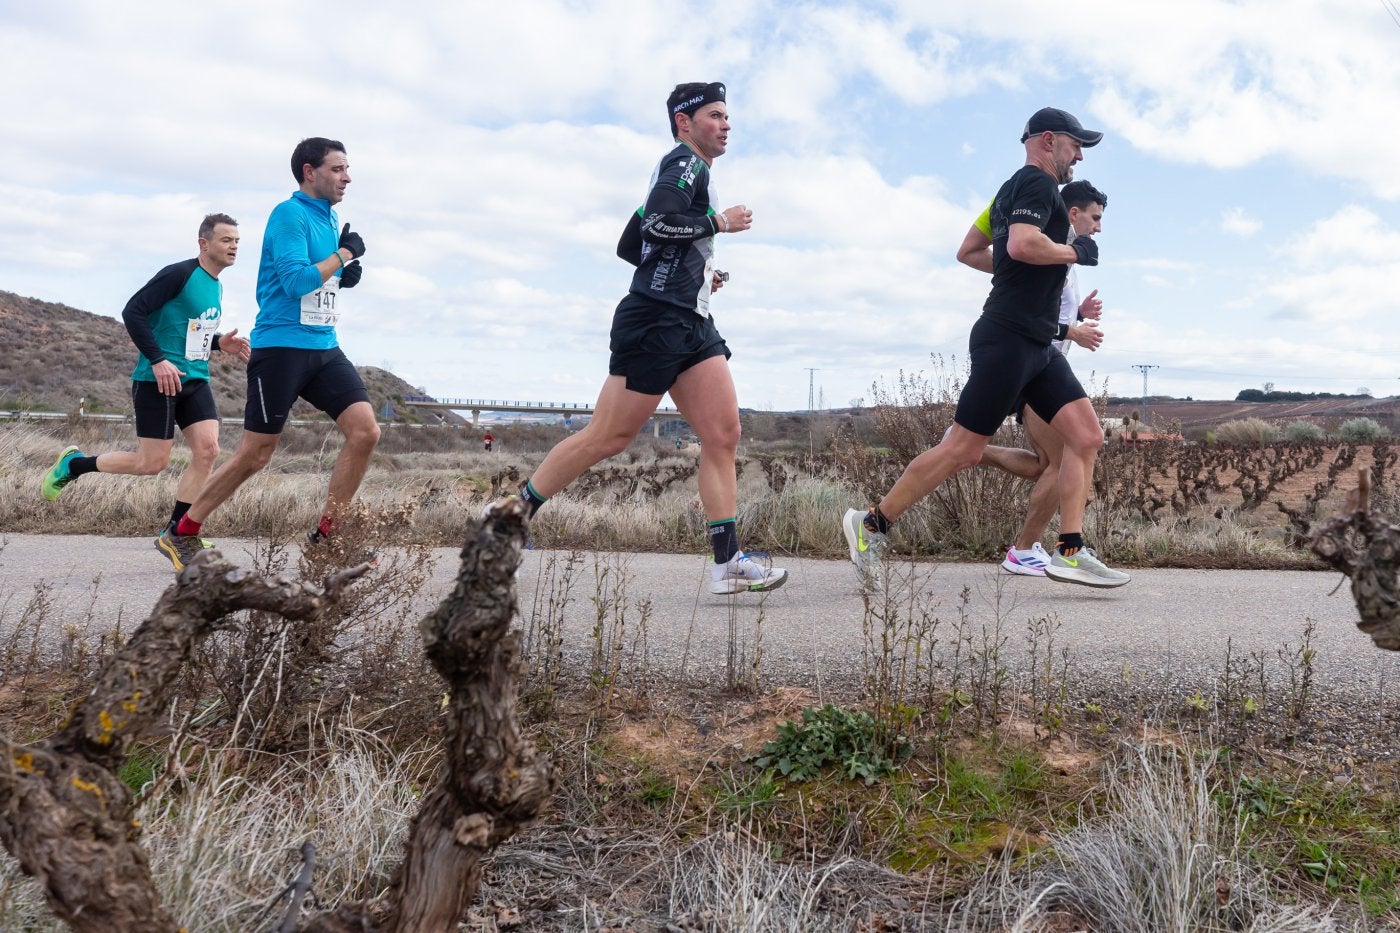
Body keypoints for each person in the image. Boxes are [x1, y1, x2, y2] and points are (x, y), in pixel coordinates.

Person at [508, 81, 785, 596]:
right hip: (655, 320)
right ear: (685, 122)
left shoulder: (685, 171)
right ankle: (510, 519)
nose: (727, 125)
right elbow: (657, 223)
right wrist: (718, 223)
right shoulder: (684, 164)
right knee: (608, 438)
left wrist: (696, 275)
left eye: (728, 117)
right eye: (715, 116)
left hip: (690, 319)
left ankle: (727, 563)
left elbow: (629, 245)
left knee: (723, 435)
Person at [842, 108, 1128, 589]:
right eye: (1075, 145)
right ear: (1047, 140)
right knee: (962, 450)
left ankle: (1070, 550)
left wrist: (1027, 271)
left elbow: (973, 251)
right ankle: (870, 524)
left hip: (1037, 342)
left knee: (1086, 436)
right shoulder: (1037, 185)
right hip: (1009, 338)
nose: (1079, 155)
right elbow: (1020, 246)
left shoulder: (1008, 192)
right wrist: (1073, 251)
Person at [157, 137, 380, 571]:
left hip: (324, 347)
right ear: (309, 172)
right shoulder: (289, 215)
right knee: (256, 455)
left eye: (347, 169)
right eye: (337, 169)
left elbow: (317, 280)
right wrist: (345, 253)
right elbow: (296, 282)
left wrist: (342, 275)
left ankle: (328, 537)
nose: (347, 177)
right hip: (280, 348)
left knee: (366, 432)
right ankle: (181, 530)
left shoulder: (330, 218)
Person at [41, 214, 251, 564]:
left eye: (237, 242)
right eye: (227, 240)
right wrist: (156, 359)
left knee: (208, 451)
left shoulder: (215, 284)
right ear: (204, 243)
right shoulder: (178, 274)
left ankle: (176, 534)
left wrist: (218, 343)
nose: (234, 247)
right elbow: (133, 311)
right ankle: (75, 464)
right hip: (157, 381)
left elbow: (186, 331)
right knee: (151, 463)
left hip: (195, 379)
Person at [954, 180, 1110, 576]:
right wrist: (1070, 331)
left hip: (1043, 366)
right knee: (1064, 458)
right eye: (1094, 217)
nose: (1098, 227)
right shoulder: (1048, 247)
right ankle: (1028, 549)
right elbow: (1033, 320)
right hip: (1031, 366)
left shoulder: (1062, 257)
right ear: (1073, 213)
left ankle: (971, 451)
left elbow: (1052, 311)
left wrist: (1078, 313)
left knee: (1048, 462)